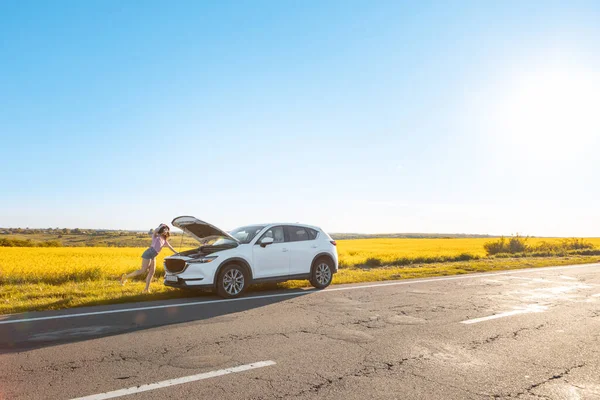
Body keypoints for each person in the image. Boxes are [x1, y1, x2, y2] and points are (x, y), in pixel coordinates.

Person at [121, 223, 178, 293]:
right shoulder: (156, 236)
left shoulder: (164, 239)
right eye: (164, 229)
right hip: (148, 253)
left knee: (152, 272)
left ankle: (146, 289)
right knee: (143, 270)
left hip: (153, 256)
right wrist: (162, 226)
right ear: (161, 229)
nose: (166, 231)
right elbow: (156, 230)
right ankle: (125, 277)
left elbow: (170, 247)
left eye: (167, 230)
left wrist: (177, 253)